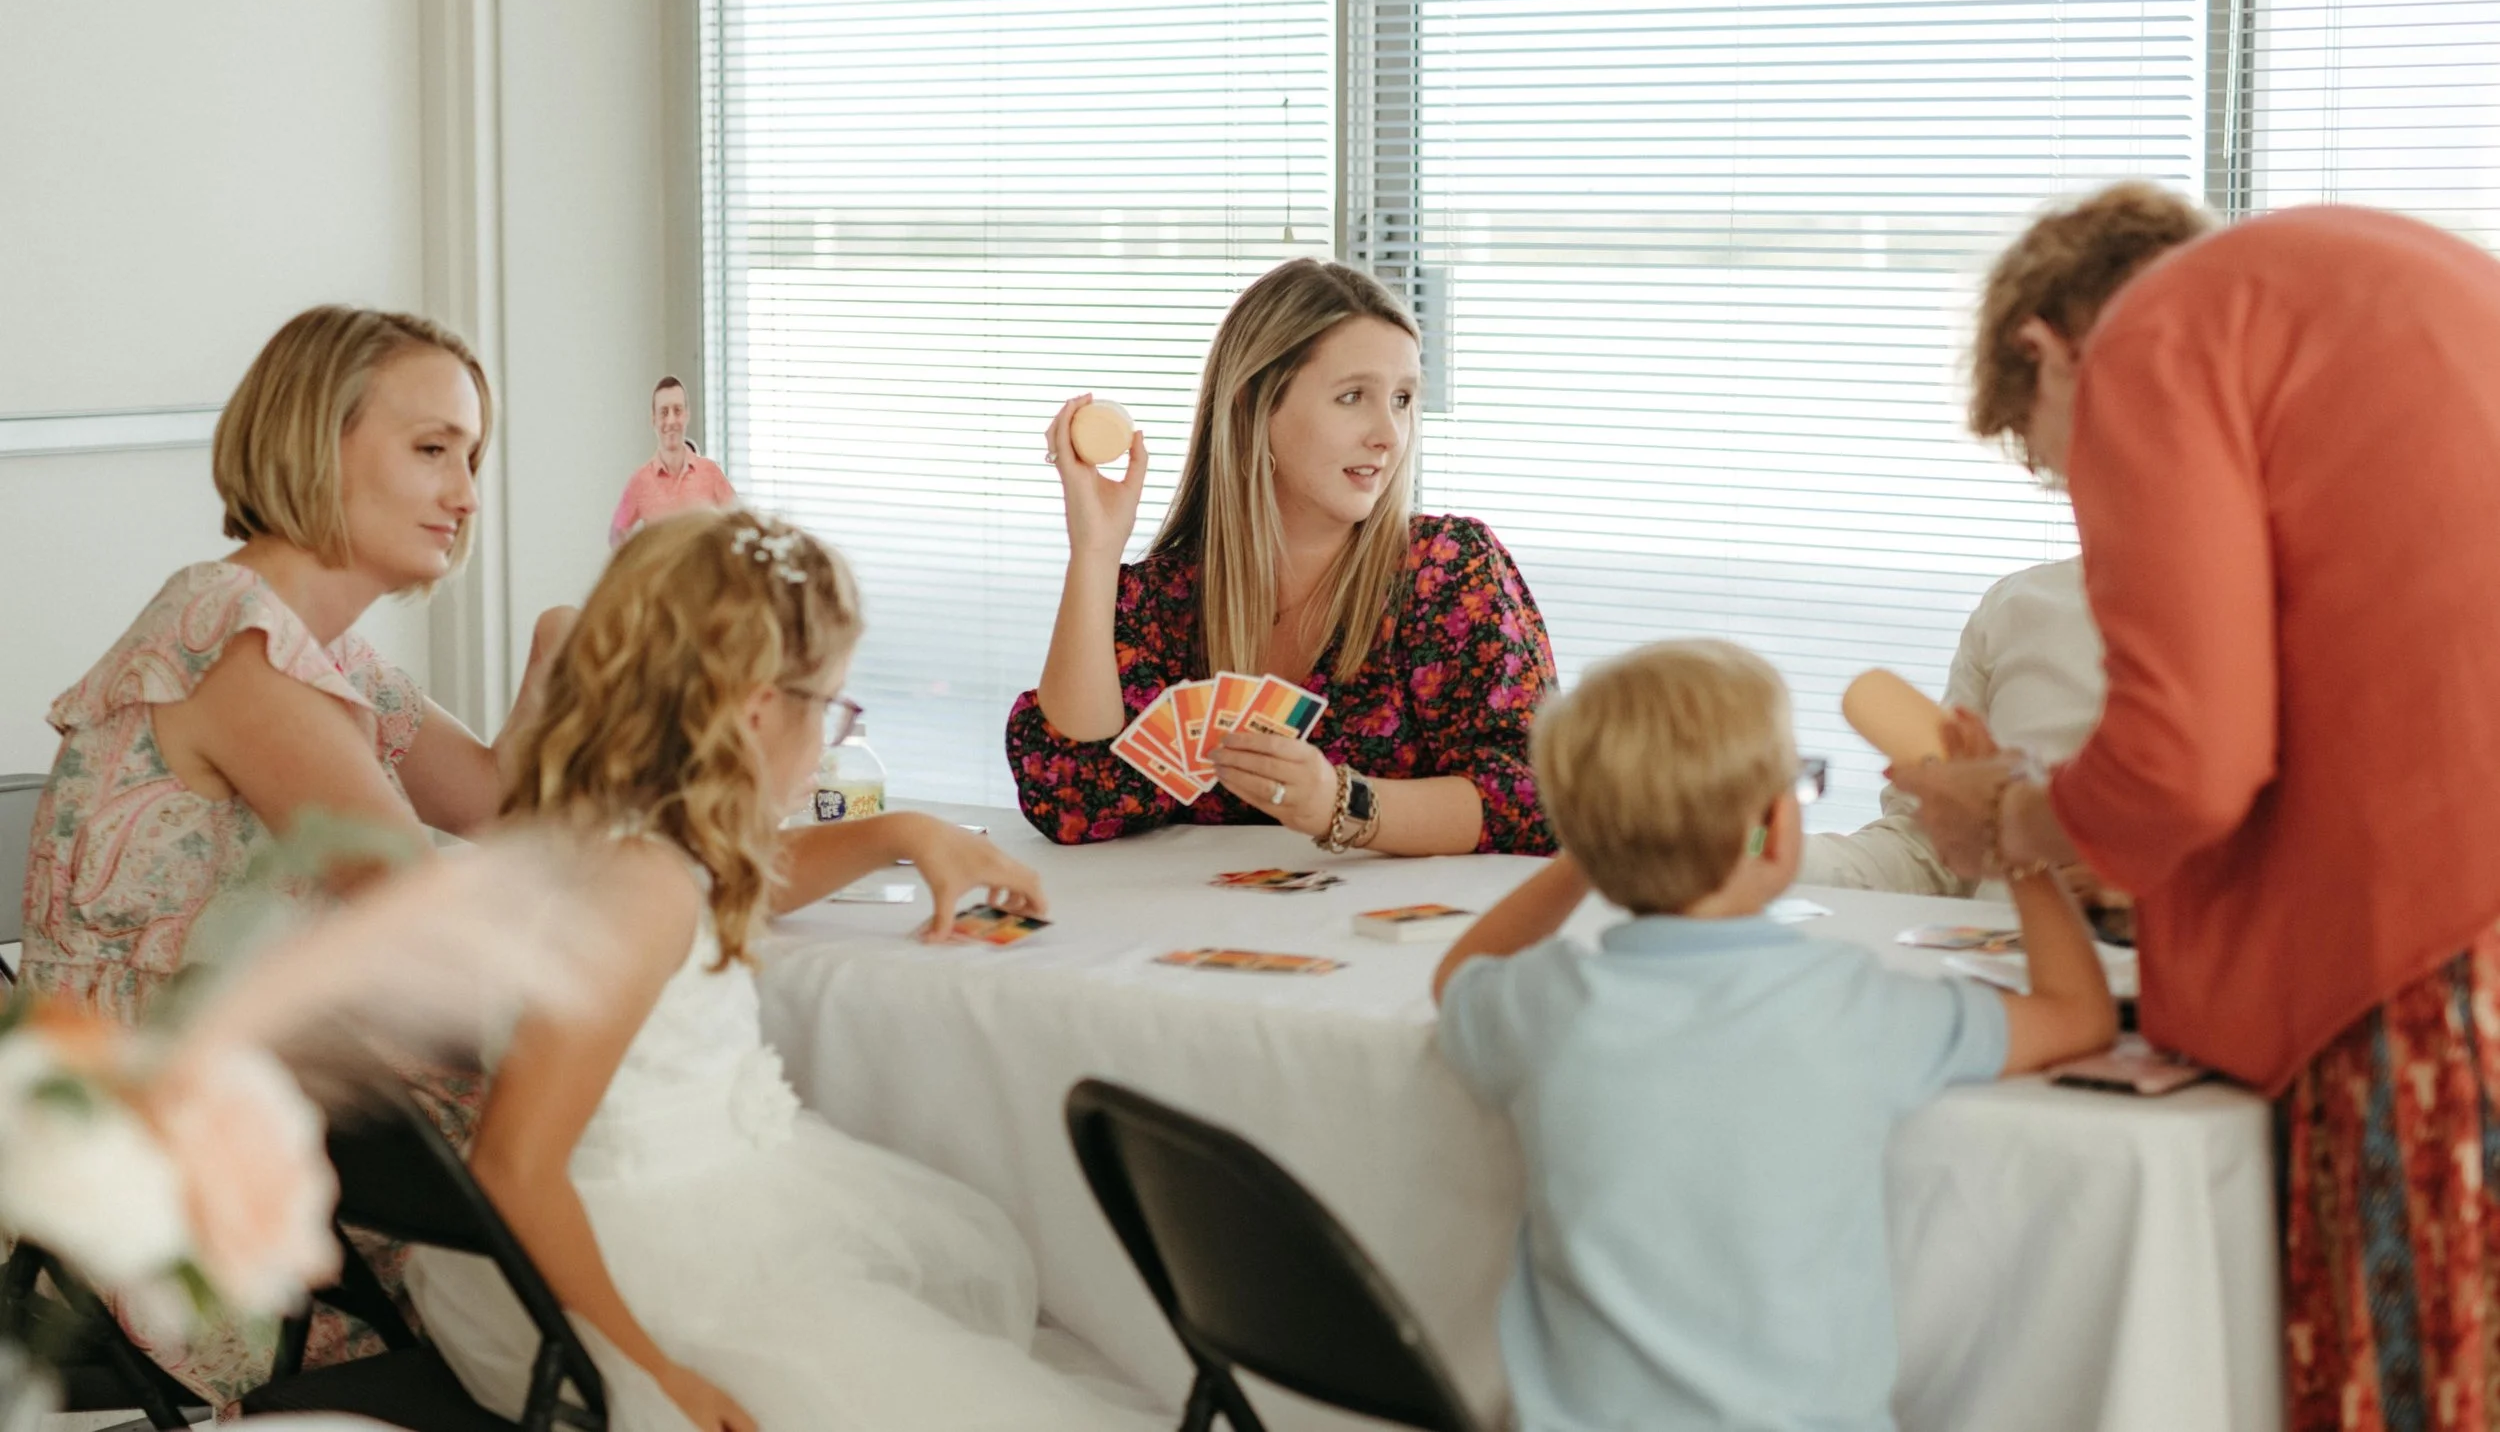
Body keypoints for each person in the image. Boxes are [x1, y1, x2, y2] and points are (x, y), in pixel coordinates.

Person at [1895, 202, 2500, 1432]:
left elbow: (2189, 761)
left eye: (2050, 457)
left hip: (2433, 925)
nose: (2078, 495)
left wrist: (2011, 815)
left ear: (2044, 349)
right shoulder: (2389, 277)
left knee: (2410, 1377)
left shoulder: (2150, 338)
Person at [410, 510, 1160, 1432]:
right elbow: (514, 1167)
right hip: (655, 1274)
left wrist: (897, 831)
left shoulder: (611, 825)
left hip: (686, 1218)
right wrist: (654, 1374)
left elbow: (736, 876)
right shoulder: (637, 885)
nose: (830, 738)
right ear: (759, 709)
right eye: (833, 708)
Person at [18, 303, 573, 1408]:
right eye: (431, 451)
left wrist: (563, 638)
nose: (465, 494)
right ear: (319, 443)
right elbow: (423, 912)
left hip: (207, 1126)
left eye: (472, 457)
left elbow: (502, 802)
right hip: (167, 1196)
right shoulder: (240, 646)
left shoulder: (322, 655)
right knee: (593, 1135)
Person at [1434, 640, 2113, 1432]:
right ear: (1770, 828)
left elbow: (1460, 976)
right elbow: (2079, 1016)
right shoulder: (1847, 1008)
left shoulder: (1545, 1007)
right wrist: (2013, 844)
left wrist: (1596, 843)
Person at [1009, 259, 1558, 854]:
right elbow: (1071, 801)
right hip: (1196, 937)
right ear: (1254, 406)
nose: (1389, 434)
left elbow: (1537, 800)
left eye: (1402, 399)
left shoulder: (1449, 570)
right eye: (1353, 397)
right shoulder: (1159, 604)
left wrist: (1341, 804)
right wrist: (1093, 553)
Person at [1804, 183, 2213, 895]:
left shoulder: (2311, 615)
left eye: (2067, 462)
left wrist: (2128, 885)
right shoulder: (2019, 608)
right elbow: (1928, 849)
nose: (2082, 498)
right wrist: (1770, 866)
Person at [610, 375, 738, 547]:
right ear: (653, 419)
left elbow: (739, 524)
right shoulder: (640, 482)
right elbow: (617, 532)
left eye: (677, 411)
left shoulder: (710, 473)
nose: (671, 421)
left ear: (687, 415)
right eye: (664, 412)